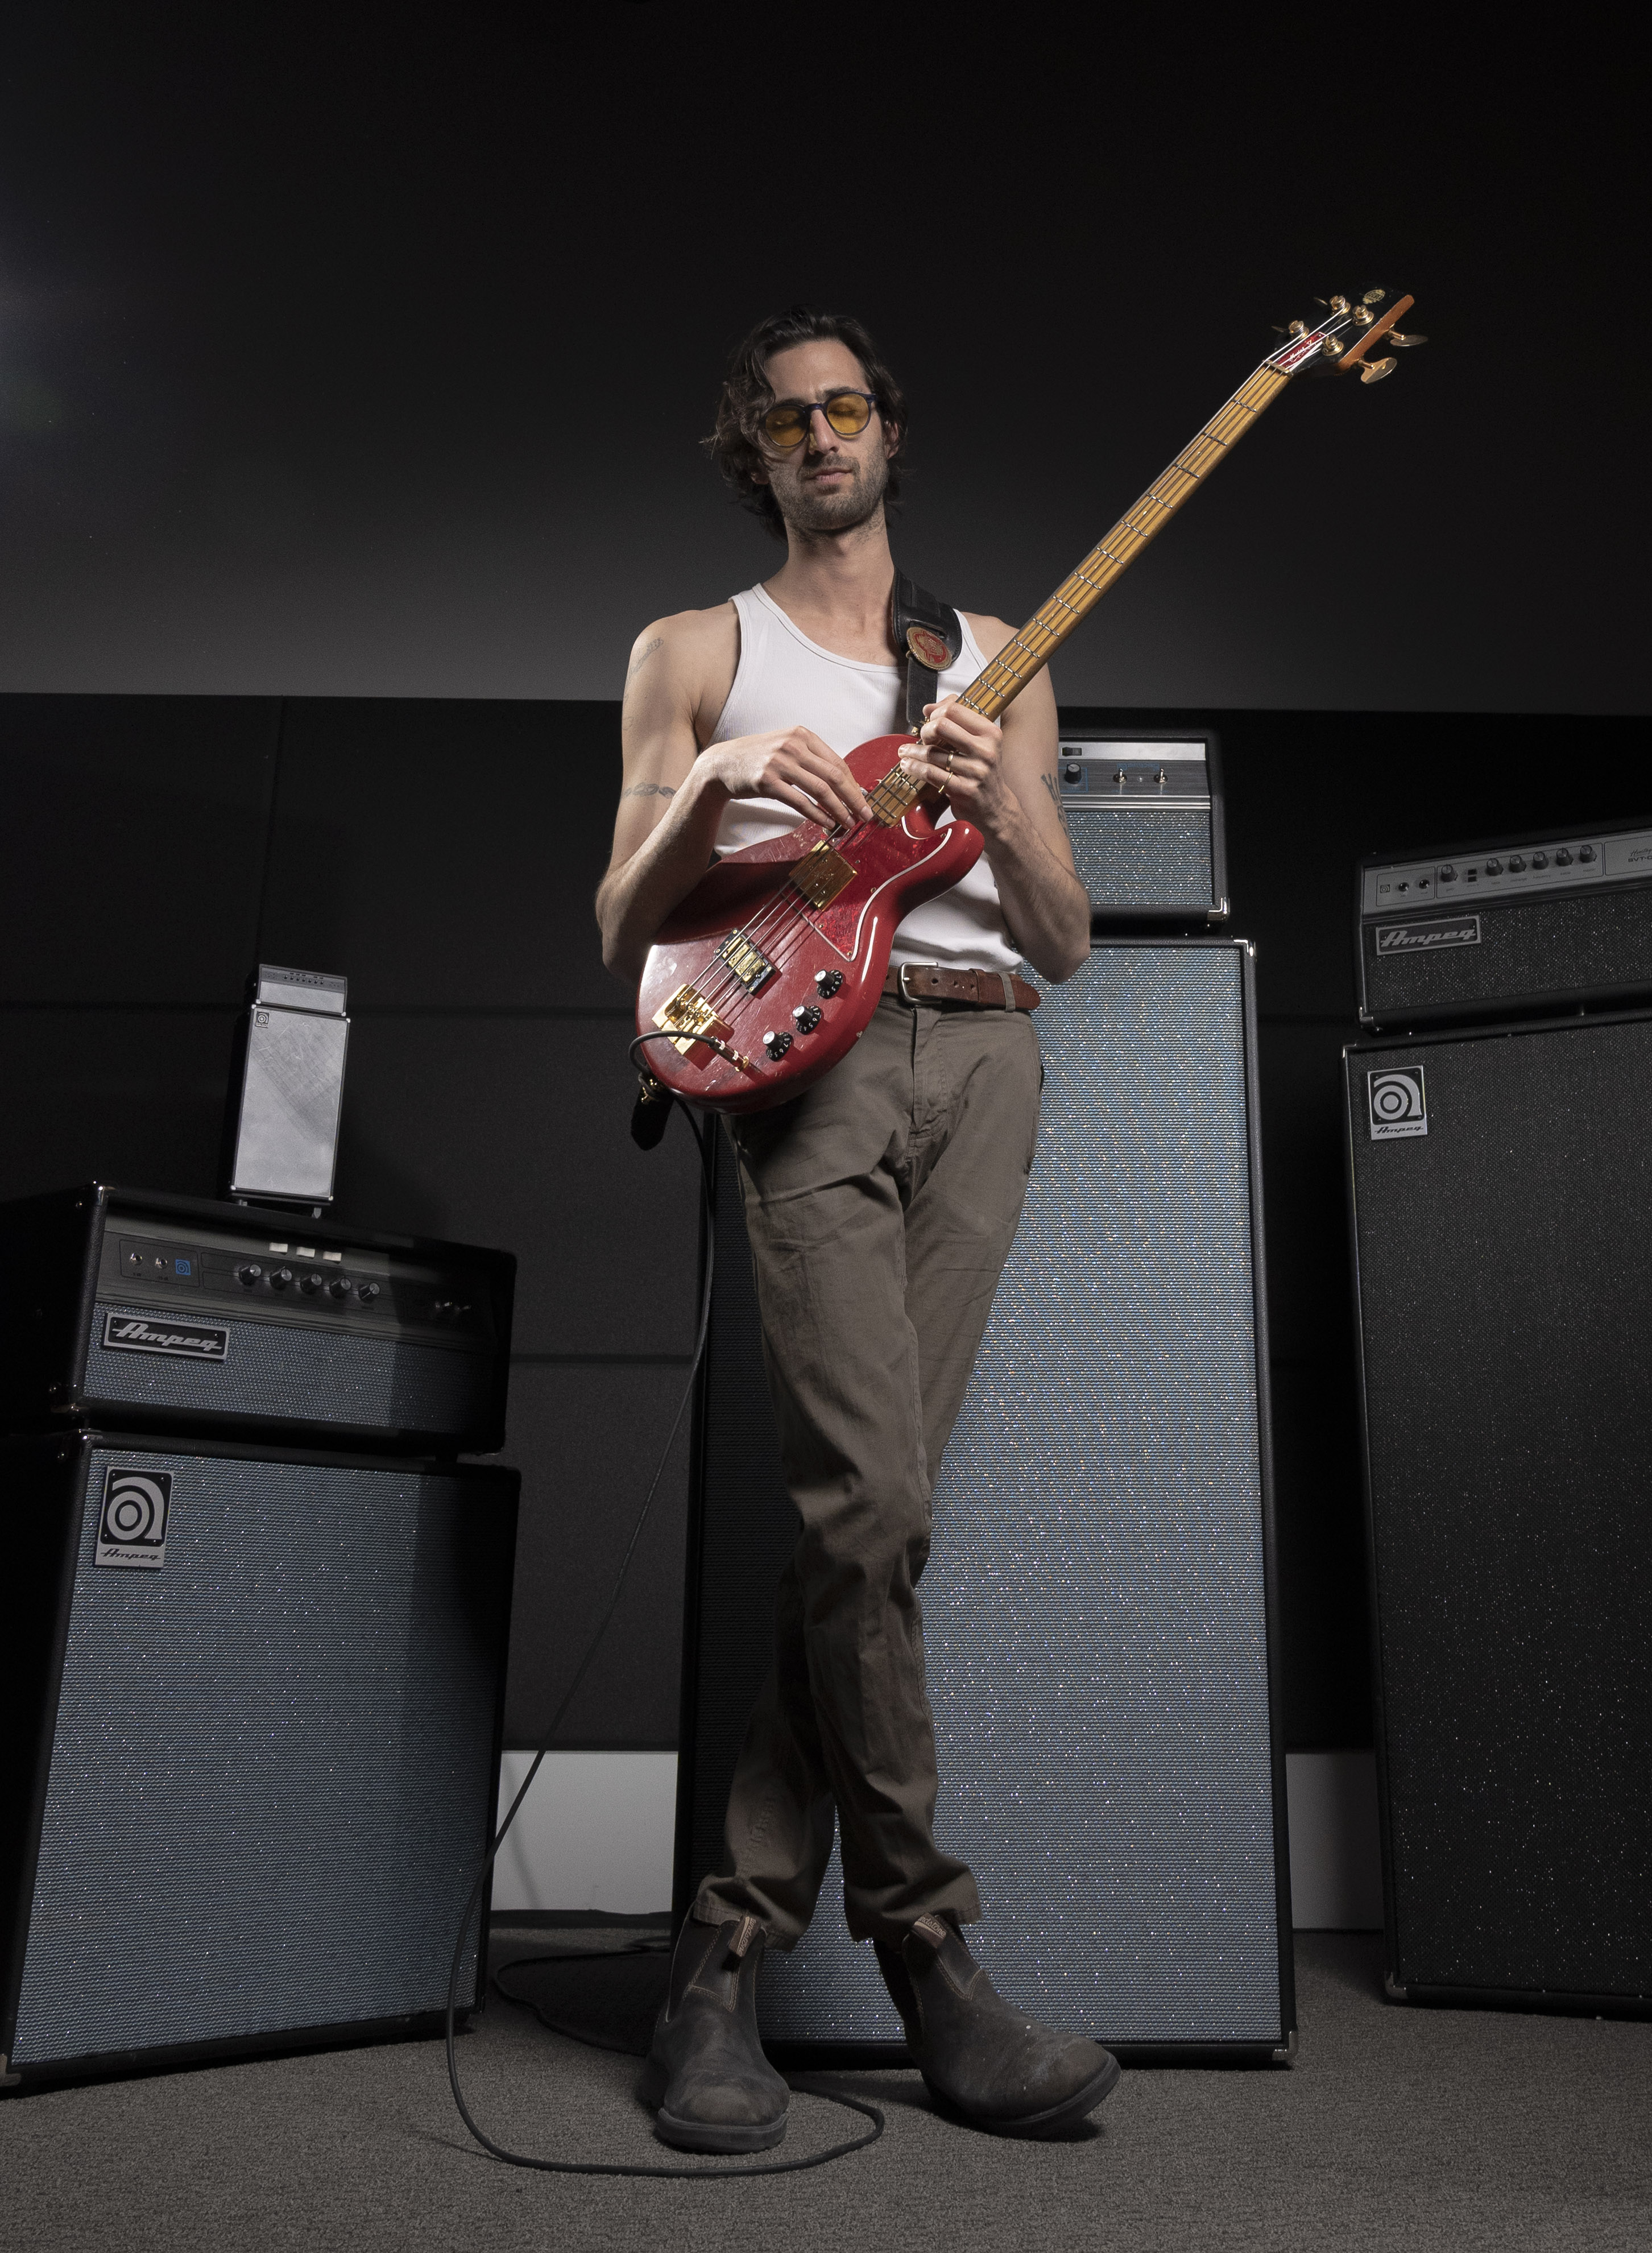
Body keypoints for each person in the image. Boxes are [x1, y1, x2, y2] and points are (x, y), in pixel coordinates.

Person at [594, 305, 1116, 2153]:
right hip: (805, 1070)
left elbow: (1059, 933)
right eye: (788, 418)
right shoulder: (692, 648)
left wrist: (1001, 808)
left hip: (986, 1067)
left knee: (857, 1525)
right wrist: (722, 788)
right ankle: (930, 1955)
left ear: (891, 430)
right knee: (869, 1511)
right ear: (758, 451)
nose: (821, 436)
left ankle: (719, 1968)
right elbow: (618, 921)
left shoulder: (989, 661)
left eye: (848, 408)